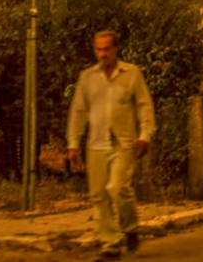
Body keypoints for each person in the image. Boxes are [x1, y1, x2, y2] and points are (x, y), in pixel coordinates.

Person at [66, 31, 156, 260]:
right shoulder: (87, 77)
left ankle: (130, 227)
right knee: (98, 195)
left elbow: (144, 105)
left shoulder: (131, 73)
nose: (102, 54)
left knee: (117, 187)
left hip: (123, 142)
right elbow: (78, 111)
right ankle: (110, 243)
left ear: (115, 49)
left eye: (106, 49)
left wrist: (145, 135)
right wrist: (73, 144)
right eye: (99, 49)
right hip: (96, 143)